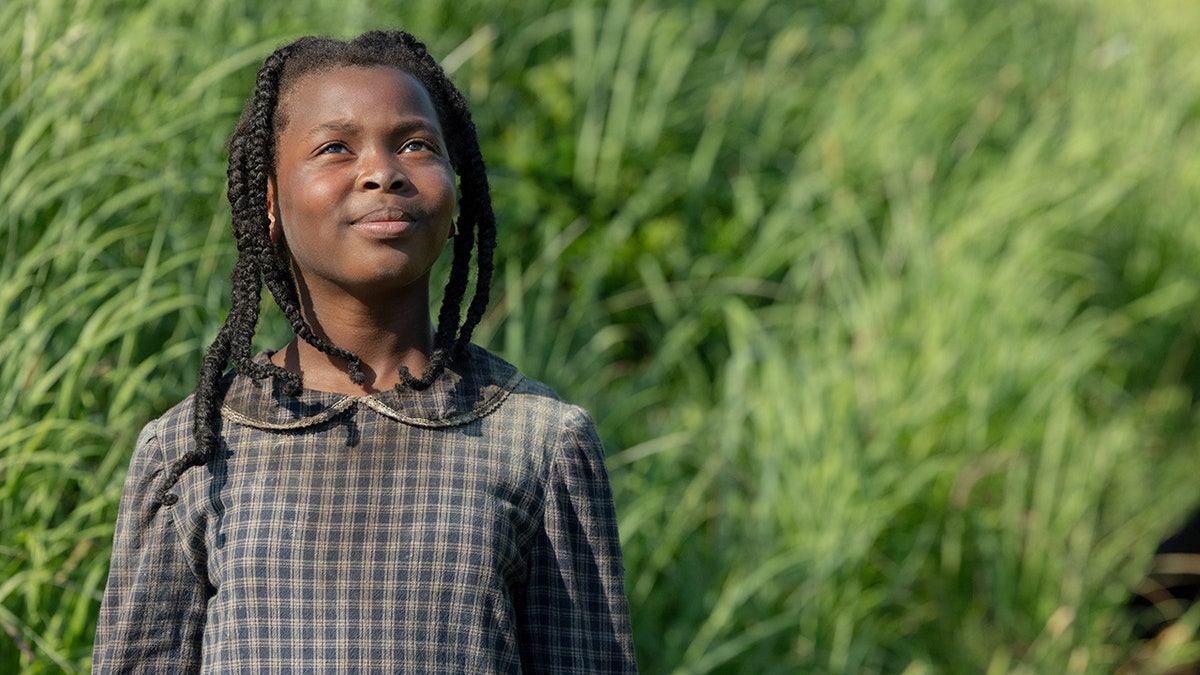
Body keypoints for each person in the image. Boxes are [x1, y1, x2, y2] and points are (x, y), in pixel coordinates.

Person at [93, 30, 637, 673]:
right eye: (334, 148)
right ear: (268, 200)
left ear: (456, 187)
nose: (382, 172)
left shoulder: (541, 442)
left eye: (415, 144)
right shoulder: (192, 448)